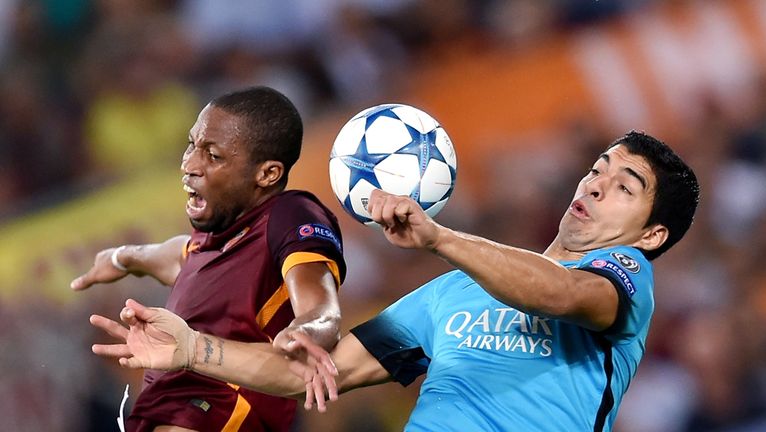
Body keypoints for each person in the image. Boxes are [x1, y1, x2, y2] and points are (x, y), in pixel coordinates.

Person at [91, 131, 699, 431]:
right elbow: (311, 374)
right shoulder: (449, 295)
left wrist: (440, 239)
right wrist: (195, 349)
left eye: (624, 187)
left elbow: (560, 293)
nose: (593, 184)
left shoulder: (626, 282)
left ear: (649, 235)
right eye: (597, 169)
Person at [73, 86, 347, 432]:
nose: (188, 164)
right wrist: (119, 258)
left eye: (213, 156)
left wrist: (306, 331)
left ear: (267, 174)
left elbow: (323, 311)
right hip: (166, 407)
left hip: (225, 405)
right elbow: (173, 257)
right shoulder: (212, 240)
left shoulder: (289, 214)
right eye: (192, 145)